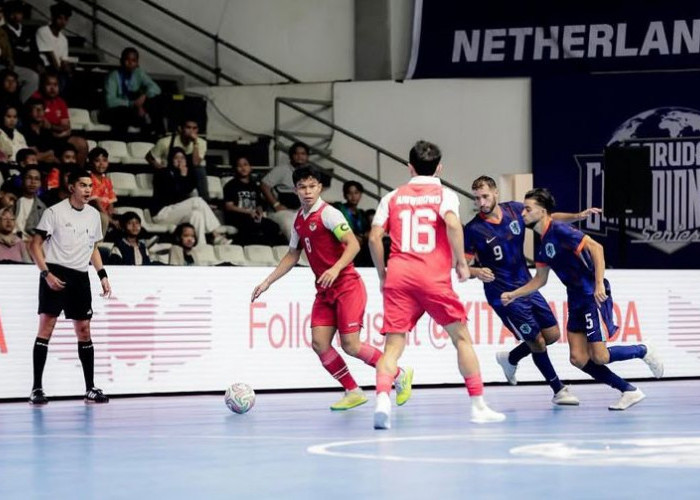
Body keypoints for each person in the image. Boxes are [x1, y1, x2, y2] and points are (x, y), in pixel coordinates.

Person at [252, 165, 413, 411]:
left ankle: (399, 374)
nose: (308, 191)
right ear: (295, 190)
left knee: (351, 345)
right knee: (319, 343)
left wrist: (336, 268)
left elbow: (353, 244)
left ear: (320, 187)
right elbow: (293, 254)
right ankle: (353, 391)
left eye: (312, 186)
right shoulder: (299, 220)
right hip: (324, 291)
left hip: (347, 286)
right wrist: (267, 281)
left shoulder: (329, 214)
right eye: (302, 187)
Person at [368, 140, 505, 430]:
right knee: (462, 339)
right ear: (439, 168)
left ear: (410, 167)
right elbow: (453, 225)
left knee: (392, 347)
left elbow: (373, 237)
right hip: (433, 278)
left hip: (399, 276)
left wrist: (382, 274)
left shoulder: (392, 197)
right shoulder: (445, 195)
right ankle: (478, 406)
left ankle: (382, 401)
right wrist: (462, 263)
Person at [501, 188, 664, 410]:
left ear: (542, 211)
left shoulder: (560, 230)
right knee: (578, 358)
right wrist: (513, 294)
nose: (523, 213)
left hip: (590, 295)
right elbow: (539, 280)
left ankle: (643, 350)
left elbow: (597, 248)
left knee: (600, 356)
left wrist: (599, 283)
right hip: (575, 299)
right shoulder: (542, 246)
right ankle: (629, 390)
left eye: (528, 209)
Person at [465, 175, 601, 405]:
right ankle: (558, 390)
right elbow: (461, 268)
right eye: (477, 198)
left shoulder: (515, 210)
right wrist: (476, 272)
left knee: (552, 335)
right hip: (503, 295)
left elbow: (547, 218)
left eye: (485, 196)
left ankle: (511, 358)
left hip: (526, 285)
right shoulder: (473, 229)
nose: (481, 202)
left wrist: (577, 216)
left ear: (496, 193)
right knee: (537, 342)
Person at [27, 167, 111, 405]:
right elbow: (34, 245)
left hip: (80, 277)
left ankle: (90, 388)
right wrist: (46, 274)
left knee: (84, 331)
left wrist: (102, 274)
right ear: (71, 186)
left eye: (90, 186)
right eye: (83, 185)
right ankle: (36, 388)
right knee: (46, 329)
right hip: (56, 272)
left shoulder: (94, 215)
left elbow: (92, 247)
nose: (87, 190)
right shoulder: (54, 212)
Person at [151, 147, 227, 247]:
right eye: (176, 158)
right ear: (171, 160)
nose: (180, 160)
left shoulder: (185, 174)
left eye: (182, 158)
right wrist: (182, 176)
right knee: (197, 201)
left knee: (197, 215)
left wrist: (184, 176)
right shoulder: (162, 173)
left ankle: (201, 247)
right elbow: (174, 193)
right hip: (162, 214)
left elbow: (186, 190)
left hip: (176, 213)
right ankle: (216, 234)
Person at [223, 156, 282, 245]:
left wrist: (259, 211)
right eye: (239, 166)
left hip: (253, 216)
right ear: (235, 168)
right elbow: (229, 206)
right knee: (252, 227)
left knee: (274, 227)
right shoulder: (230, 185)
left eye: (245, 165)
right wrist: (248, 212)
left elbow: (258, 204)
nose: (243, 168)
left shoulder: (254, 185)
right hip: (237, 217)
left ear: (250, 167)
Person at [102, 47, 162, 135]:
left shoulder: (139, 73)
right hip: (116, 110)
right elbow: (110, 101)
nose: (130, 63)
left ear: (137, 63)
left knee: (155, 102)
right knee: (124, 112)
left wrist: (144, 95)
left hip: (134, 109)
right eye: (127, 60)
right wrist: (132, 103)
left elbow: (156, 88)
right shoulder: (113, 76)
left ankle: (157, 135)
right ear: (121, 61)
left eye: (133, 60)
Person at [146, 117, 208, 201]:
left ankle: (205, 201)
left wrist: (195, 143)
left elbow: (195, 163)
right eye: (188, 127)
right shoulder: (165, 142)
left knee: (199, 170)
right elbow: (149, 156)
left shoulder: (201, 143)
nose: (191, 131)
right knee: (163, 174)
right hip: (170, 173)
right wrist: (158, 166)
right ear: (180, 129)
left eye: (194, 128)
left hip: (188, 174)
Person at [260, 141, 308, 240]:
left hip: (299, 212)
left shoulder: (308, 173)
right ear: (291, 156)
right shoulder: (281, 170)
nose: (300, 156)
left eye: (303, 154)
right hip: (281, 212)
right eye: (296, 153)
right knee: (290, 226)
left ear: (307, 157)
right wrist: (276, 205)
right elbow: (264, 186)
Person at [335, 180, 372, 266]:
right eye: (349, 193)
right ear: (345, 195)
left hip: (361, 247)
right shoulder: (339, 209)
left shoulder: (362, 213)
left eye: (356, 193)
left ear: (360, 195)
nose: (353, 196)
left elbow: (367, 230)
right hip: (345, 244)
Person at [35, 2, 71, 73]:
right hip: (45, 68)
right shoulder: (43, 31)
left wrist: (68, 70)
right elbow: (50, 56)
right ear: (52, 17)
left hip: (57, 69)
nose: (63, 22)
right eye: (60, 18)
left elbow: (64, 60)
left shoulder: (64, 39)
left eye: (66, 19)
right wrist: (59, 73)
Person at [13, 166, 45, 237]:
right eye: (29, 178)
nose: (33, 182)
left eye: (36, 179)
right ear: (22, 180)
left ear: (40, 183)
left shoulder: (42, 208)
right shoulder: (12, 201)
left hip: (31, 241)